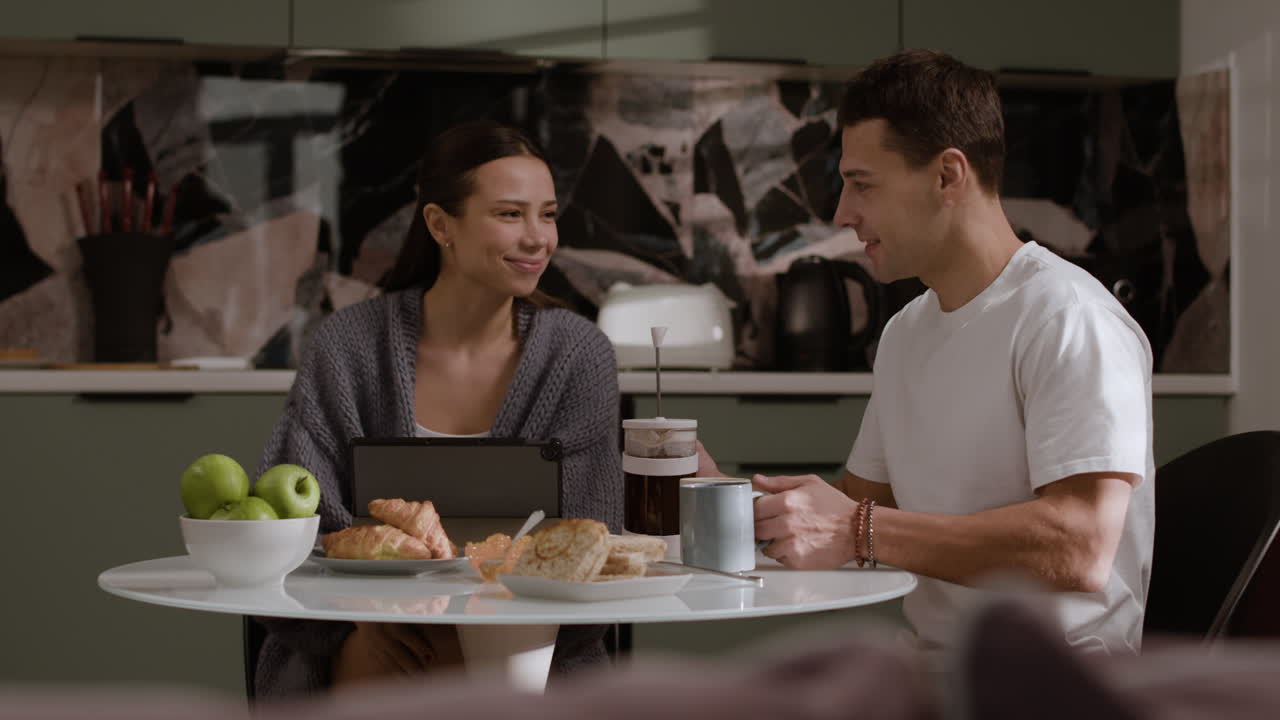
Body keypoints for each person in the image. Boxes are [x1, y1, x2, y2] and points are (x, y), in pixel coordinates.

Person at [701, 49, 1155, 658]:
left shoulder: (1069, 318)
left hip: (1060, 685)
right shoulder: (907, 332)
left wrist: (856, 529)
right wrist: (718, 496)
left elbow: (1080, 546)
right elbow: (857, 515)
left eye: (862, 184)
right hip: (936, 671)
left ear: (948, 176)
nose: (843, 213)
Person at [253, 119, 623, 697]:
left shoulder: (579, 357)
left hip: (527, 637)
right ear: (439, 224)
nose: (538, 239)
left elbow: (591, 546)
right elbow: (292, 532)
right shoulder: (348, 346)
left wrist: (472, 622)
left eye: (547, 214)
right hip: (364, 632)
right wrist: (368, 616)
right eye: (509, 214)